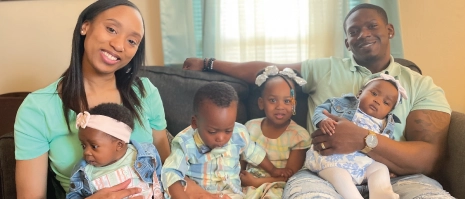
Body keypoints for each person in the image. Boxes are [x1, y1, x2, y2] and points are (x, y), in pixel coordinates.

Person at [183, 3, 453, 198]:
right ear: (347, 42)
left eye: (372, 26)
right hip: (323, 174)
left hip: (396, 177)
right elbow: (270, 70)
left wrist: (363, 139)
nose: (363, 34)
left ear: (390, 30)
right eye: (354, 31)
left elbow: (431, 157)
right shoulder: (325, 69)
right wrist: (209, 63)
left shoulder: (419, 85)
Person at [14, 1, 170, 198]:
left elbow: (169, 171)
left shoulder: (145, 92)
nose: (119, 45)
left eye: (132, 41)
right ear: (85, 26)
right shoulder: (37, 108)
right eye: (111, 29)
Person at [161, 82, 292, 199]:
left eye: (228, 130)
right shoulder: (184, 143)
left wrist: (274, 170)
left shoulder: (238, 133)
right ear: (195, 123)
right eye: (212, 131)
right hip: (202, 195)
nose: (221, 138)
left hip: (235, 194)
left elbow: (253, 152)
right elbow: (171, 173)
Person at [306, 73, 407, 199]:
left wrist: (391, 168)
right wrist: (323, 120)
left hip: (362, 163)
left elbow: (387, 151)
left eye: (386, 102)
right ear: (360, 93)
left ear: (389, 111)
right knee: (339, 176)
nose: (377, 101)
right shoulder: (343, 105)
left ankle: (381, 195)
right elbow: (321, 110)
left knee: (380, 169)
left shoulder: (386, 125)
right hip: (332, 158)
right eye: (374, 94)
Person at [240, 66, 311, 198]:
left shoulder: (299, 135)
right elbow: (240, 164)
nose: (280, 107)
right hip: (247, 185)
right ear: (261, 103)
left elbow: (289, 178)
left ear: (294, 104)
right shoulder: (250, 127)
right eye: (272, 100)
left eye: (287, 101)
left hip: (276, 187)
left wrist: (256, 182)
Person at [67, 103, 163, 199]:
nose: (86, 152)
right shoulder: (83, 172)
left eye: (94, 146)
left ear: (119, 145)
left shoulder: (145, 154)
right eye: (83, 146)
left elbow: (161, 181)